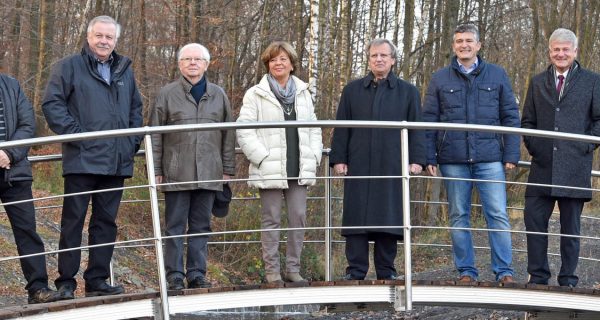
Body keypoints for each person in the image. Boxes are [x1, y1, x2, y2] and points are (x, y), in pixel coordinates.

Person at [42, 15, 143, 299]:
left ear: (115, 41)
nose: (103, 41)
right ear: (89, 37)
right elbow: (52, 104)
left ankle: (97, 280)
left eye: (109, 37)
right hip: (81, 159)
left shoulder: (125, 70)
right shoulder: (69, 67)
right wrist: (78, 137)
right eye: (99, 35)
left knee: (105, 223)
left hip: (116, 161)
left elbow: (136, 109)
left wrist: (130, 142)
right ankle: (66, 283)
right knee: (72, 222)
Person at [422, 24, 520, 284]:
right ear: (454, 46)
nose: (464, 45)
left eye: (468, 41)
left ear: (478, 45)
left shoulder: (497, 75)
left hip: (490, 158)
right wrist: (429, 156)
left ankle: (504, 271)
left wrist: (511, 153)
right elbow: (429, 120)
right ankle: (466, 271)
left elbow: (510, 115)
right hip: (453, 159)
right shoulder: (440, 78)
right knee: (458, 215)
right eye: (459, 41)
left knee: (497, 214)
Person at [329, 38, 425, 281]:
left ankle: (386, 270)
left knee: (388, 218)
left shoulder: (408, 92)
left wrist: (417, 160)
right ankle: (355, 271)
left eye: (384, 55)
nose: (379, 59)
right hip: (358, 162)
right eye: (374, 56)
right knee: (356, 219)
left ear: (393, 60)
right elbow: (341, 127)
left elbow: (417, 129)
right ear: (369, 60)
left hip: (392, 163)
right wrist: (338, 158)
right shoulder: (351, 90)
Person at [150, 43, 236, 290]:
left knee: (201, 226)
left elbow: (228, 134)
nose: (192, 63)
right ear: (179, 64)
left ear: (207, 64)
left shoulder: (218, 94)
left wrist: (227, 168)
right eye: (187, 59)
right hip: (176, 171)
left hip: (210, 171)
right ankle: (174, 274)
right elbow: (155, 136)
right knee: (174, 226)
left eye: (198, 59)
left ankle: (197, 273)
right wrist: (156, 170)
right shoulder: (166, 94)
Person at [237, 41, 323, 284]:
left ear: (292, 64)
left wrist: (315, 155)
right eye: (273, 60)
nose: (278, 63)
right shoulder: (256, 93)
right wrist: (261, 157)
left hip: (299, 166)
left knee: (298, 216)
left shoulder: (304, 93)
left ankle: (293, 270)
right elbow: (243, 130)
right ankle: (272, 272)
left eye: (283, 59)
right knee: (271, 218)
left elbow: (314, 128)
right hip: (271, 166)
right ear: (268, 64)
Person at [521, 28, 600, 288]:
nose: (561, 53)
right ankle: (539, 277)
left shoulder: (592, 81)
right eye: (556, 49)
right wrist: (536, 148)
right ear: (550, 51)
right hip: (541, 166)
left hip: (575, 167)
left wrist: (585, 148)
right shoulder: (537, 81)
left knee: (571, 231)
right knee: (534, 223)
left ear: (575, 51)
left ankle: (568, 279)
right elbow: (528, 122)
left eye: (566, 49)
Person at [0, 75, 60, 304]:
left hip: (14, 173)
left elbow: (27, 125)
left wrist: (9, 153)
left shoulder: (12, 85)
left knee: (27, 233)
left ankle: (38, 289)